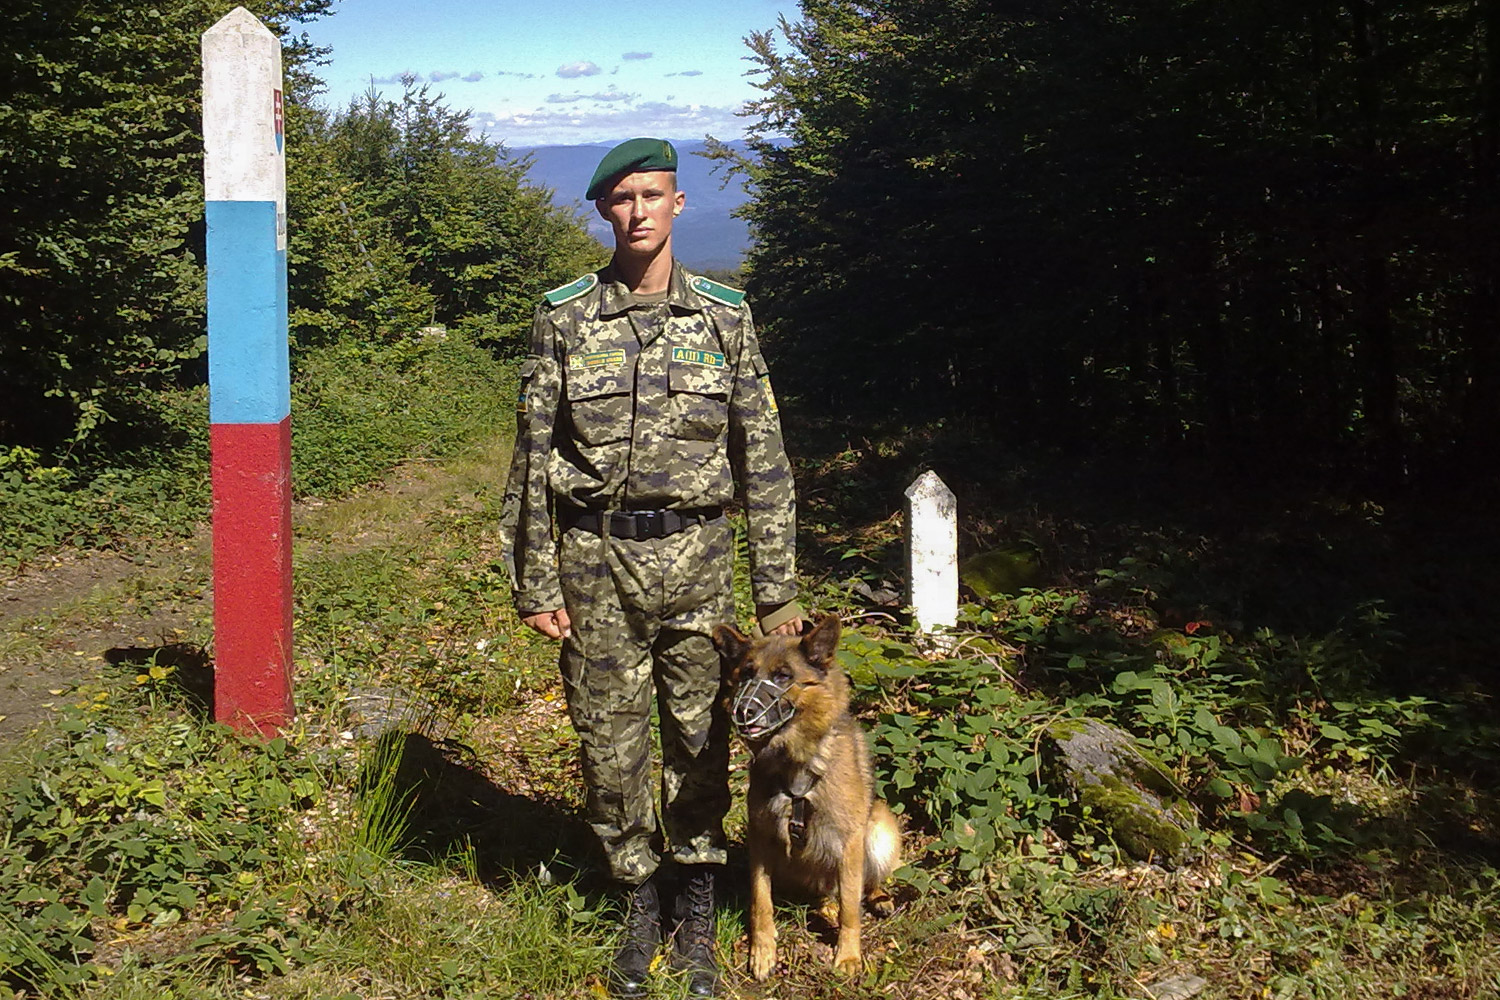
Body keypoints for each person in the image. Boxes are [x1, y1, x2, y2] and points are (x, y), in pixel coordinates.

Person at [499, 137, 803, 998]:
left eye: (653, 195)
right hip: (595, 560)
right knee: (609, 741)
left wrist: (776, 592)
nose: (638, 212)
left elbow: (763, 457)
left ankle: (696, 894)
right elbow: (531, 457)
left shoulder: (725, 318)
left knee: (702, 736)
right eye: (623, 198)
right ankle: (635, 895)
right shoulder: (565, 318)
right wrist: (535, 580)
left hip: (699, 559)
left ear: (678, 204)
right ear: (605, 209)